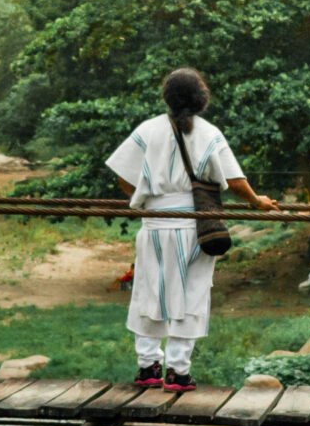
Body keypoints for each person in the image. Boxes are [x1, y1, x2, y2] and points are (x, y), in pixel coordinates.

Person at [105, 68, 278, 392]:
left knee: (150, 291)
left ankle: (147, 368)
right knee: (191, 294)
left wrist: (148, 200)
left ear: (167, 97)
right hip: (197, 226)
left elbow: (123, 175)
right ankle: (178, 372)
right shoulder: (209, 133)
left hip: (154, 224)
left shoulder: (148, 129)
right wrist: (258, 202)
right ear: (201, 98)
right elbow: (236, 182)